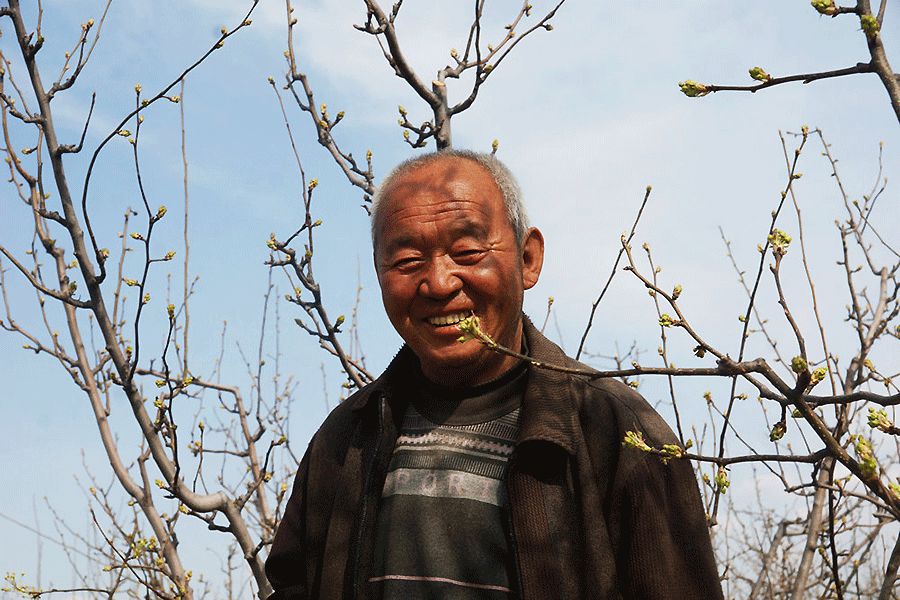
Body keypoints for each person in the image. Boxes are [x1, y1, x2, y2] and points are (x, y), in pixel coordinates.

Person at [265, 150, 724, 599]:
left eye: (466, 251)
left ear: (528, 259)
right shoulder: (346, 439)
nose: (439, 283)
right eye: (407, 261)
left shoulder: (617, 433)